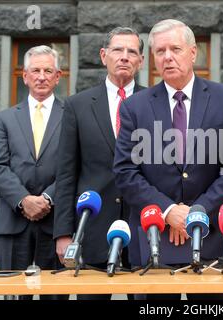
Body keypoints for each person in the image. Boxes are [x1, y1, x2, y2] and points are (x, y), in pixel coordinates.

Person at [113, 19, 223, 300]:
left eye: (175, 48)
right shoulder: (134, 107)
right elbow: (126, 171)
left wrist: (196, 213)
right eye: (160, 51)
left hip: (210, 234)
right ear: (152, 58)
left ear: (193, 52)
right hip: (154, 235)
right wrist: (168, 212)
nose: (167, 57)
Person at [53, 27, 145, 300]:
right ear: (104, 56)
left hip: (142, 232)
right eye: (118, 50)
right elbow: (66, 173)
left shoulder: (155, 103)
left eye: (132, 52)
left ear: (140, 60)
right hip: (91, 232)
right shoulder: (77, 106)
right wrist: (63, 233)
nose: (124, 57)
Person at [0, 45, 66, 300]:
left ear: (58, 76)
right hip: (13, 223)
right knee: (13, 295)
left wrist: (46, 199)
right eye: (35, 70)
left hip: (56, 222)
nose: (41, 76)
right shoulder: (5, 119)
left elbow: (73, 167)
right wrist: (24, 200)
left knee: (55, 296)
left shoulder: (72, 117)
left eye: (48, 70)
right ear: (25, 76)